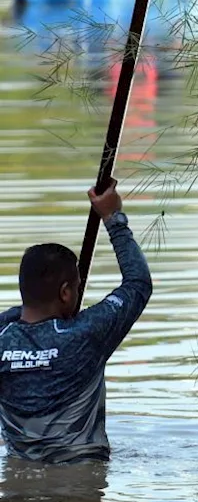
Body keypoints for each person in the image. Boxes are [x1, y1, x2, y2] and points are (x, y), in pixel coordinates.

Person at [0, 180, 152, 463]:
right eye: (77, 287)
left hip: (19, 490)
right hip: (82, 485)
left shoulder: (3, 338)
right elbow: (138, 283)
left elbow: (16, 314)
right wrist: (113, 218)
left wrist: (30, 303)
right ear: (66, 292)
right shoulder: (85, 333)